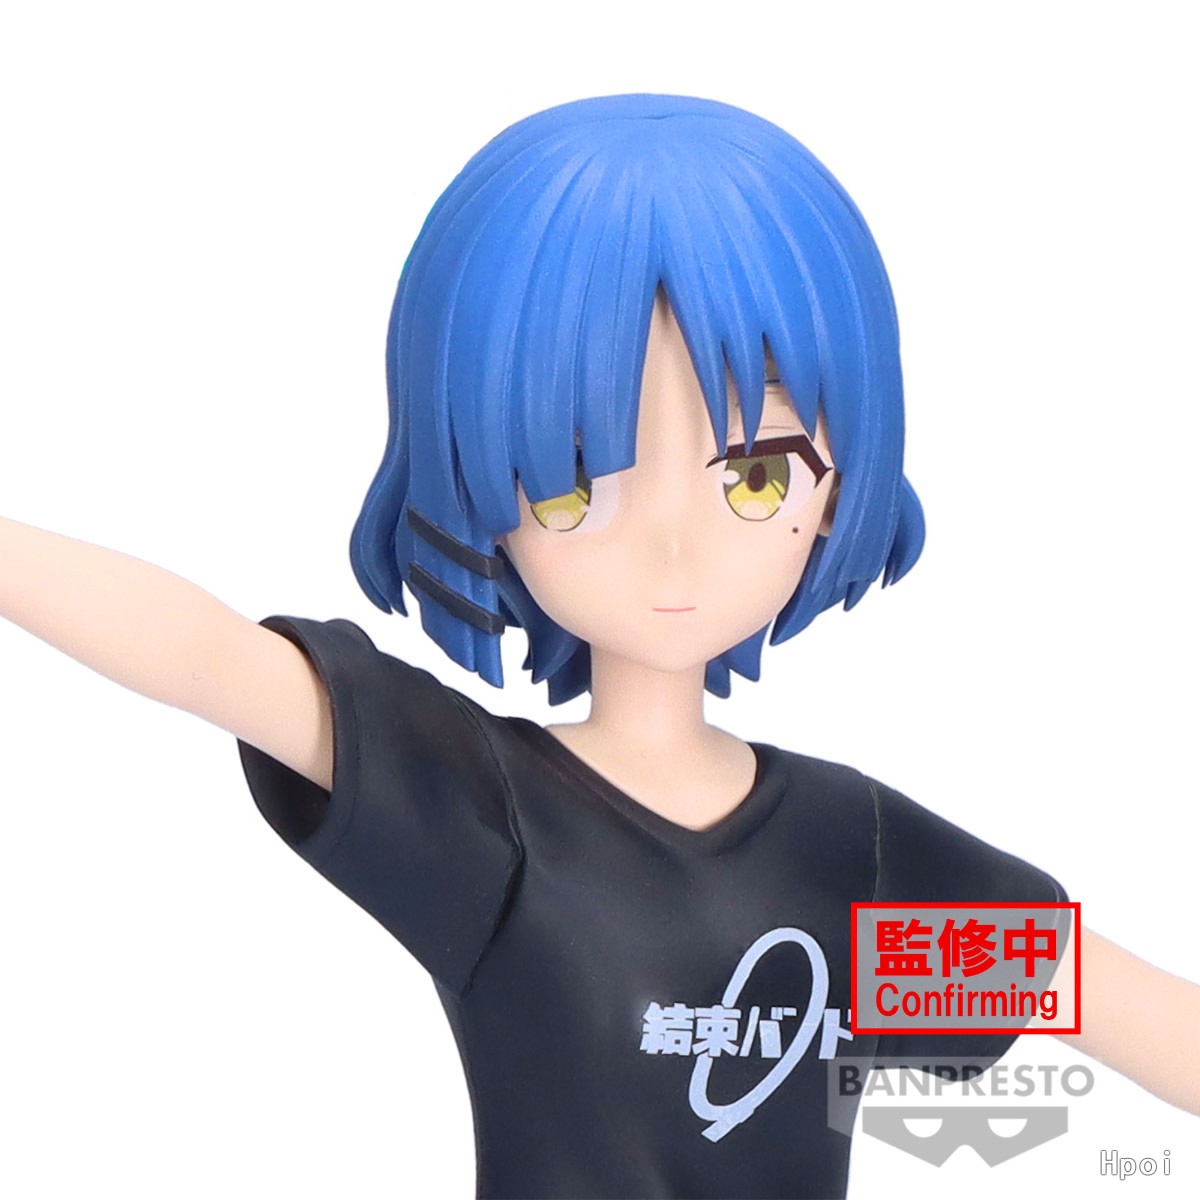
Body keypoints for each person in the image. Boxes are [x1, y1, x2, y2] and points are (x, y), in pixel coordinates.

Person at [2, 95, 1195, 1199]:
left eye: (756, 476)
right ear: (482, 486)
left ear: (839, 488)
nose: (672, 548)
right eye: (576, 482)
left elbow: (1117, 1008)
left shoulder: (853, 855)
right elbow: (209, 658)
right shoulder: (486, 822)